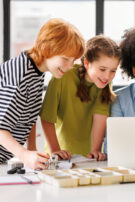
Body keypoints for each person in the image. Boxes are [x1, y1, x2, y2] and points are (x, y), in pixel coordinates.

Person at [0, 18, 85, 169]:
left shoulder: (37, 71)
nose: (70, 66)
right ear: (47, 49)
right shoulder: (19, 75)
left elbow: (30, 115)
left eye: (73, 60)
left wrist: (32, 149)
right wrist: (25, 155)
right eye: (65, 59)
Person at [40, 35, 120, 161]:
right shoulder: (62, 76)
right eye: (102, 69)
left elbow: (100, 116)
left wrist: (96, 150)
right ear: (87, 63)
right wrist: (55, 150)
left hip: (88, 158)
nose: (107, 76)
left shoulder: (105, 84)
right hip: (60, 156)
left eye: (113, 71)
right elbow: (47, 117)